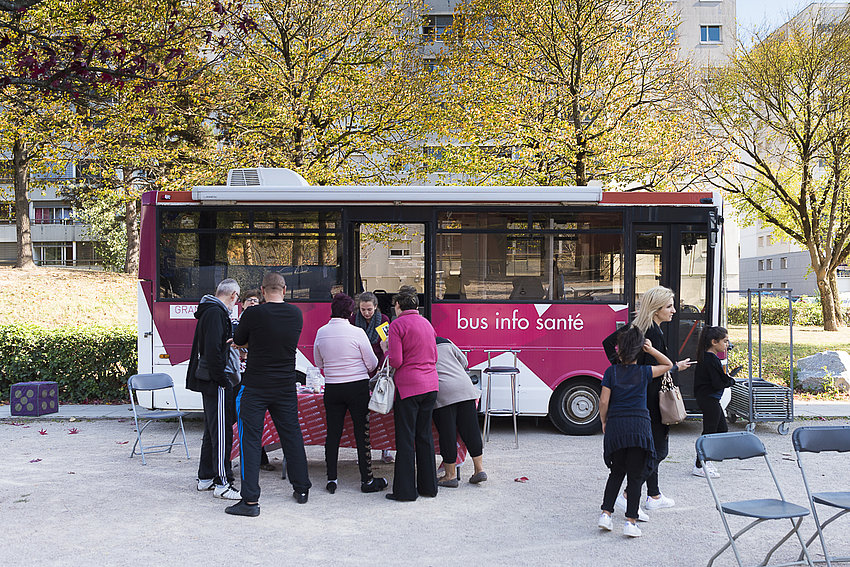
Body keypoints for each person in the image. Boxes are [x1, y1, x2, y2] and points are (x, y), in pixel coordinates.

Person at [602, 286, 694, 515]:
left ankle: (654, 495)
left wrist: (623, 372)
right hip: (651, 401)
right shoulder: (652, 332)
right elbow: (657, 366)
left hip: (641, 398)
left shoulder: (637, 327)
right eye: (669, 306)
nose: (674, 311)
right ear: (656, 309)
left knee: (650, 447)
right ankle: (627, 495)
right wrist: (672, 367)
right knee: (658, 450)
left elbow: (607, 344)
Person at [226, 272, 312, 517]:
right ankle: (302, 488)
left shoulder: (253, 313)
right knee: (292, 435)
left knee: (250, 441)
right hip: (285, 386)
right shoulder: (296, 314)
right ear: (284, 290)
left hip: (255, 386)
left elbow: (241, 339)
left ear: (262, 291)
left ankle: (250, 501)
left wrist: (247, 342)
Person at [598, 327, 673, 538]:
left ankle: (606, 514)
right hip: (639, 428)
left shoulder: (611, 372)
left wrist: (604, 421)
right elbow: (668, 365)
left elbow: (604, 401)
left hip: (617, 427)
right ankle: (630, 521)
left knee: (616, 473)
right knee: (635, 476)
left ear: (619, 351)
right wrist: (651, 350)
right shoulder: (644, 372)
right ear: (640, 350)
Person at [314, 293, 387, 494]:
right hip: (357, 387)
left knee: (333, 434)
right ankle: (367, 479)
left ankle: (331, 478)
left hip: (333, 387)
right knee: (362, 433)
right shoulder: (357, 333)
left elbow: (318, 363)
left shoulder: (321, 332)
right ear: (350, 312)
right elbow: (372, 363)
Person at [186, 278, 242, 501]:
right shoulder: (217, 313)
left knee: (212, 431)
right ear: (233, 296)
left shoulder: (209, 311)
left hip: (210, 380)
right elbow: (214, 351)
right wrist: (223, 380)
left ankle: (206, 477)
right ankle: (222, 482)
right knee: (221, 433)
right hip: (216, 381)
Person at [383, 291, 439, 501]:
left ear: (398, 305)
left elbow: (396, 361)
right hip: (431, 385)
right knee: (424, 437)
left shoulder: (398, 325)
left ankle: (405, 492)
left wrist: (386, 349)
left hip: (409, 387)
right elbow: (434, 355)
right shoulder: (426, 323)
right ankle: (429, 487)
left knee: (406, 439)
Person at [432, 337, 487, 487]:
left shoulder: (418, 345)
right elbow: (464, 362)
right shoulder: (445, 341)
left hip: (443, 391)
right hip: (465, 387)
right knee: (471, 430)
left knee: (447, 433)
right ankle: (479, 469)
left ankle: (449, 476)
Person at [351, 292, 395, 464]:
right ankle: (363, 450)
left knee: (382, 408)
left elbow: (386, 345)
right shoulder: (354, 320)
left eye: (369, 309)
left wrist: (380, 365)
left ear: (375, 307)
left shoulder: (384, 319)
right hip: (359, 367)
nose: (366, 313)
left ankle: (386, 450)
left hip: (378, 367)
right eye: (363, 309)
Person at [236, 289, 275, 472]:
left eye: (255, 300)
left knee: (257, 420)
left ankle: (261, 459)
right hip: (237, 375)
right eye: (249, 300)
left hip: (254, 373)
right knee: (239, 420)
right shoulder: (235, 322)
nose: (252, 303)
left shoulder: (261, 322)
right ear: (242, 303)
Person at [692, 326, 734, 478]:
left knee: (721, 429)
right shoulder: (710, 359)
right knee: (709, 431)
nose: (727, 345)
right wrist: (729, 380)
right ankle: (699, 464)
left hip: (710, 398)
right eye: (725, 341)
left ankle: (706, 460)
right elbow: (717, 382)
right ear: (714, 342)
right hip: (709, 398)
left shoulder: (710, 357)